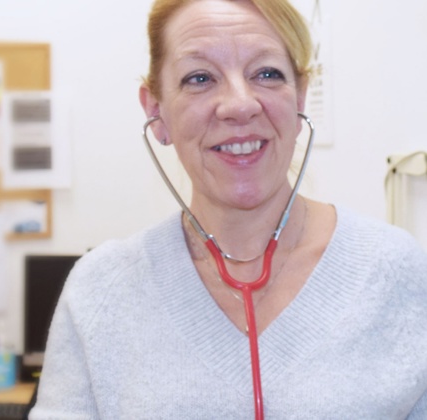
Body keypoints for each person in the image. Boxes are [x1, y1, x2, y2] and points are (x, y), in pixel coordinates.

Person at [28, 0, 427, 418]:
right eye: (199, 78)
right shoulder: (100, 292)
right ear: (156, 111)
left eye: (267, 73)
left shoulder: (393, 270)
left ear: (301, 97)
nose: (240, 104)